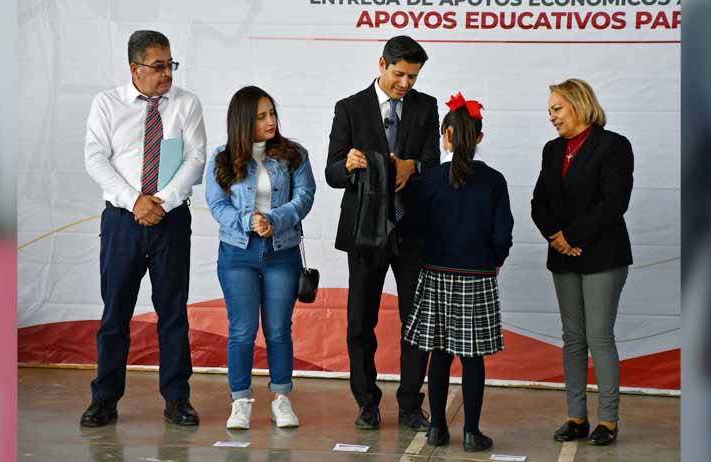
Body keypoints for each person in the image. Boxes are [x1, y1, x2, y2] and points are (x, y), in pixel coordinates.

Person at [81, 30, 206, 427]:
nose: (167, 73)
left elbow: (195, 159)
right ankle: (104, 399)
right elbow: (95, 159)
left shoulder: (186, 104)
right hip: (122, 221)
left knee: (173, 313)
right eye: (158, 66)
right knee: (115, 312)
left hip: (171, 221)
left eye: (171, 64)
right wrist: (134, 201)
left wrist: (161, 202)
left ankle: (177, 399)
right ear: (135, 68)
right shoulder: (107, 104)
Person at [325, 35, 440, 430]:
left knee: (416, 322)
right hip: (364, 231)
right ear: (381, 64)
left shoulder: (426, 107)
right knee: (360, 322)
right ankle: (366, 403)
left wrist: (413, 167)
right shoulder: (349, 108)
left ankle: (410, 404)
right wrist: (348, 164)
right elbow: (331, 172)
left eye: (413, 76)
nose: (405, 83)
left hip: (411, 230)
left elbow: (433, 165)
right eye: (399, 74)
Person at [403, 92, 513, 452]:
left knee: (439, 353)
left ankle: (436, 427)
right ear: (479, 137)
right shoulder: (494, 180)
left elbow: (415, 228)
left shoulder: (429, 179)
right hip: (477, 275)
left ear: (446, 135)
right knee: (472, 358)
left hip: (436, 272)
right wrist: (494, 259)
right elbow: (503, 234)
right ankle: (471, 433)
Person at [531, 78, 634, 446]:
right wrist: (557, 238)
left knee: (599, 337)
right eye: (550, 111)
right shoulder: (552, 150)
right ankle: (576, 417)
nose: (552, 117)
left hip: (603, 256)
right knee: (573, 338)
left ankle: (608, 420)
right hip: (563, 256)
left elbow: (614, 203)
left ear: (579, 104)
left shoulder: (614, 146)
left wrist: (572, 237)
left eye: (557, 108)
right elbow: (539, 202)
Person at [207, 86, 316, 430]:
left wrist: (274, 219)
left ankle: (281, 399)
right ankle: (240, 401)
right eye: (261, 116)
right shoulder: (222, 157)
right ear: (243, 121)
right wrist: (248, 221)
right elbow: (216, 204)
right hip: (237, 253)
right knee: (242, 330)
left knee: (279, 329)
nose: (271, 121)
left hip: (282, 253)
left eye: (272, 113)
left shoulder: (294, 154)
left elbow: (305, 197)